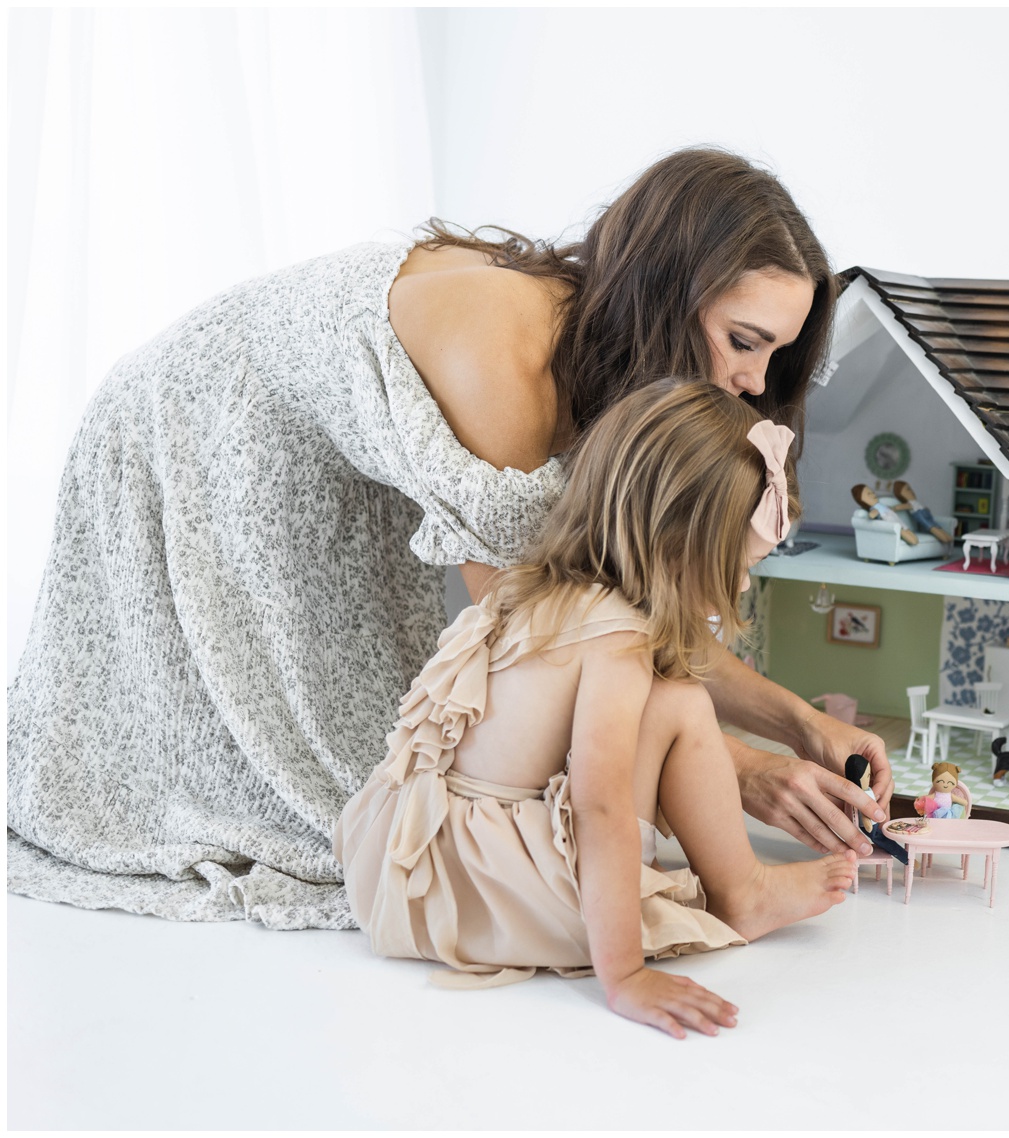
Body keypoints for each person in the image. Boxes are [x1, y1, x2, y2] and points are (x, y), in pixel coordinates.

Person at [8, 148, 889, 931]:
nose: (751, 382)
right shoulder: (509, 368)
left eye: (775, 358)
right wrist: (735, 771)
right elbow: (539, 643)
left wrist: (797, 723)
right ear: (668, 289)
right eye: (744, 342)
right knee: (349, 787)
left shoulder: (597, 350)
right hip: (193, 424)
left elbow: (618, 617)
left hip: (288, 434)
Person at [336, 380, 855, 1038]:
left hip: (405, 867)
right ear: (676, 544)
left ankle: (730, 882)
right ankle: (743, 889)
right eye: (738, 567)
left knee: (668, 695)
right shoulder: (617, 636)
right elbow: (601, 804)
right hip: (485, 898)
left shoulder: (537, 586)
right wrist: (626, 974)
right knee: (683, 701)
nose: (742, 587)